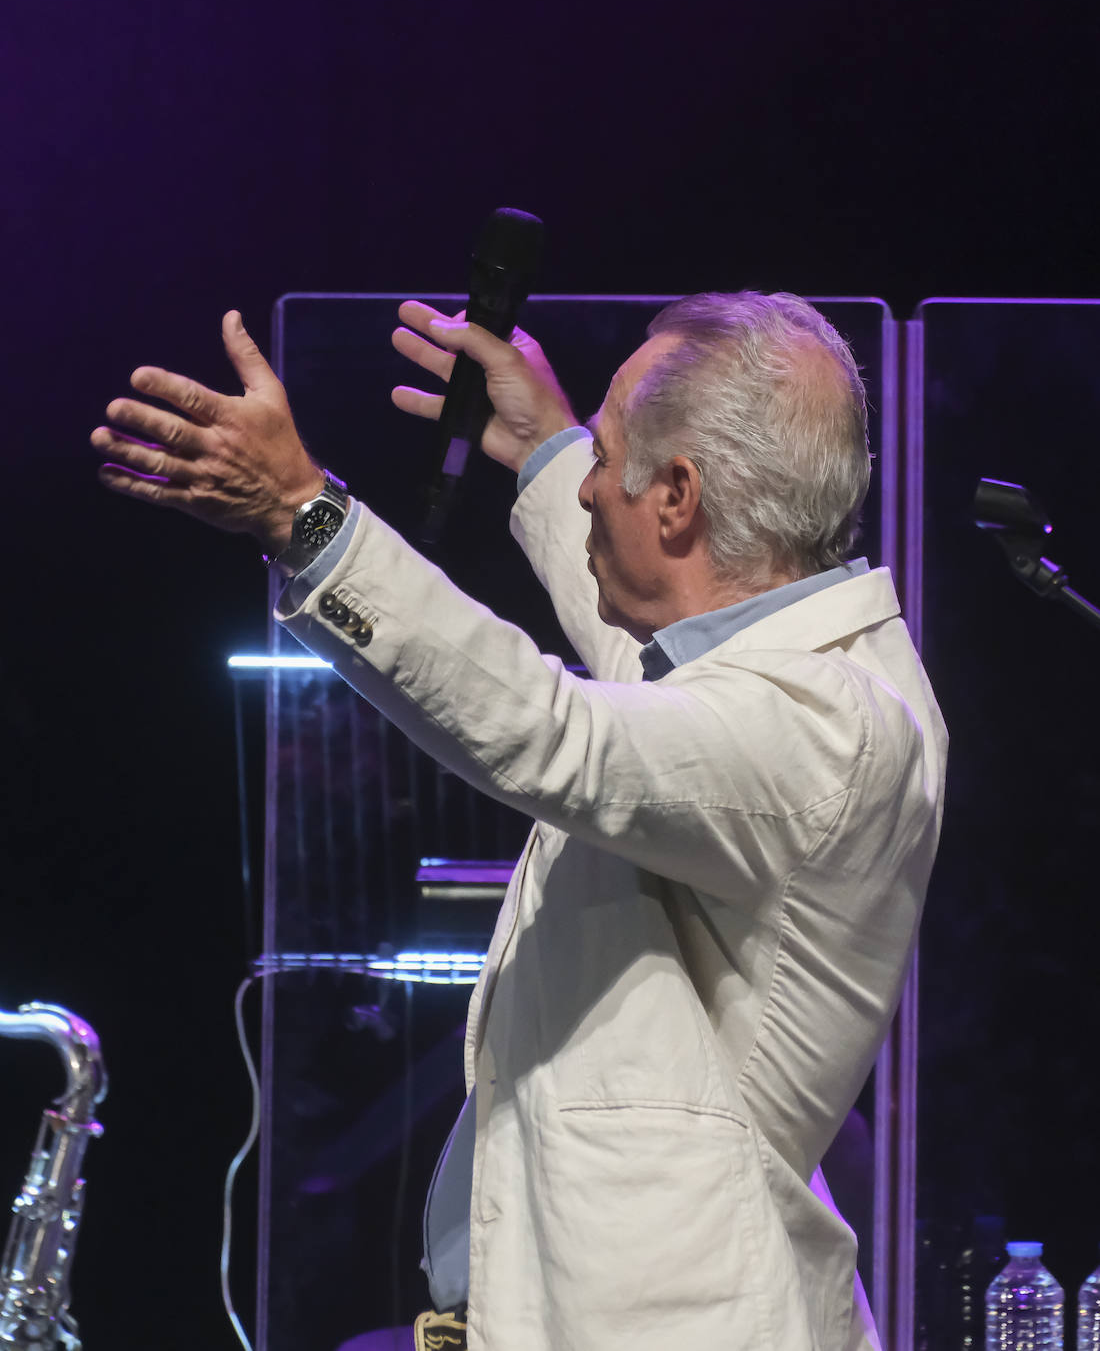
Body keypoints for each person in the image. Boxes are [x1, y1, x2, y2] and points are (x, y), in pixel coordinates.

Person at [91, 291, 947, 1351]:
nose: (591, 484)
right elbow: (635, 657)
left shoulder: (818, 730)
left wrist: (304, 515)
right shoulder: (780, 671)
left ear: (676, 495)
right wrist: (546, 448)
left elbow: (557, 733)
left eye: (607, 456)